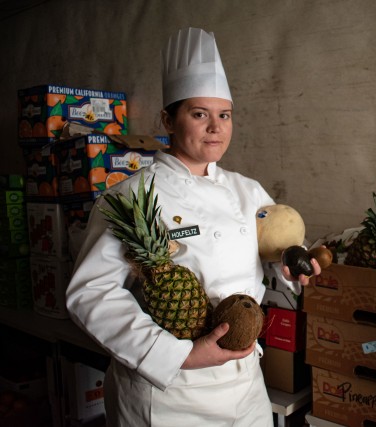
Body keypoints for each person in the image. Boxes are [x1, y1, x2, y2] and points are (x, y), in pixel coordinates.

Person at [66, 27, 321, 427]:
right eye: (200, 114)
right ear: (169, 119)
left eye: (224, 115)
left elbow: (274, 252)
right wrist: (176, 355)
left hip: (246, 385)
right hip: (170, 392)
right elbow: (90, 293)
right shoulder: (130, 198)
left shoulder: (248, 191)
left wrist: (290, 262)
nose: (215, 128)